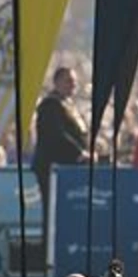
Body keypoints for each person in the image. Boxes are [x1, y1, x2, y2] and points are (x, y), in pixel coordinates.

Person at [30, 66, 86, 204]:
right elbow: (56, 135)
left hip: (68, 167)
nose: (73, 85)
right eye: (69, 81)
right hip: (52, 169)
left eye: (74, 82)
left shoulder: (67, 105)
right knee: (52, 208)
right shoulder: (50, 105)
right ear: (57, 82)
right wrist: (79, 152)